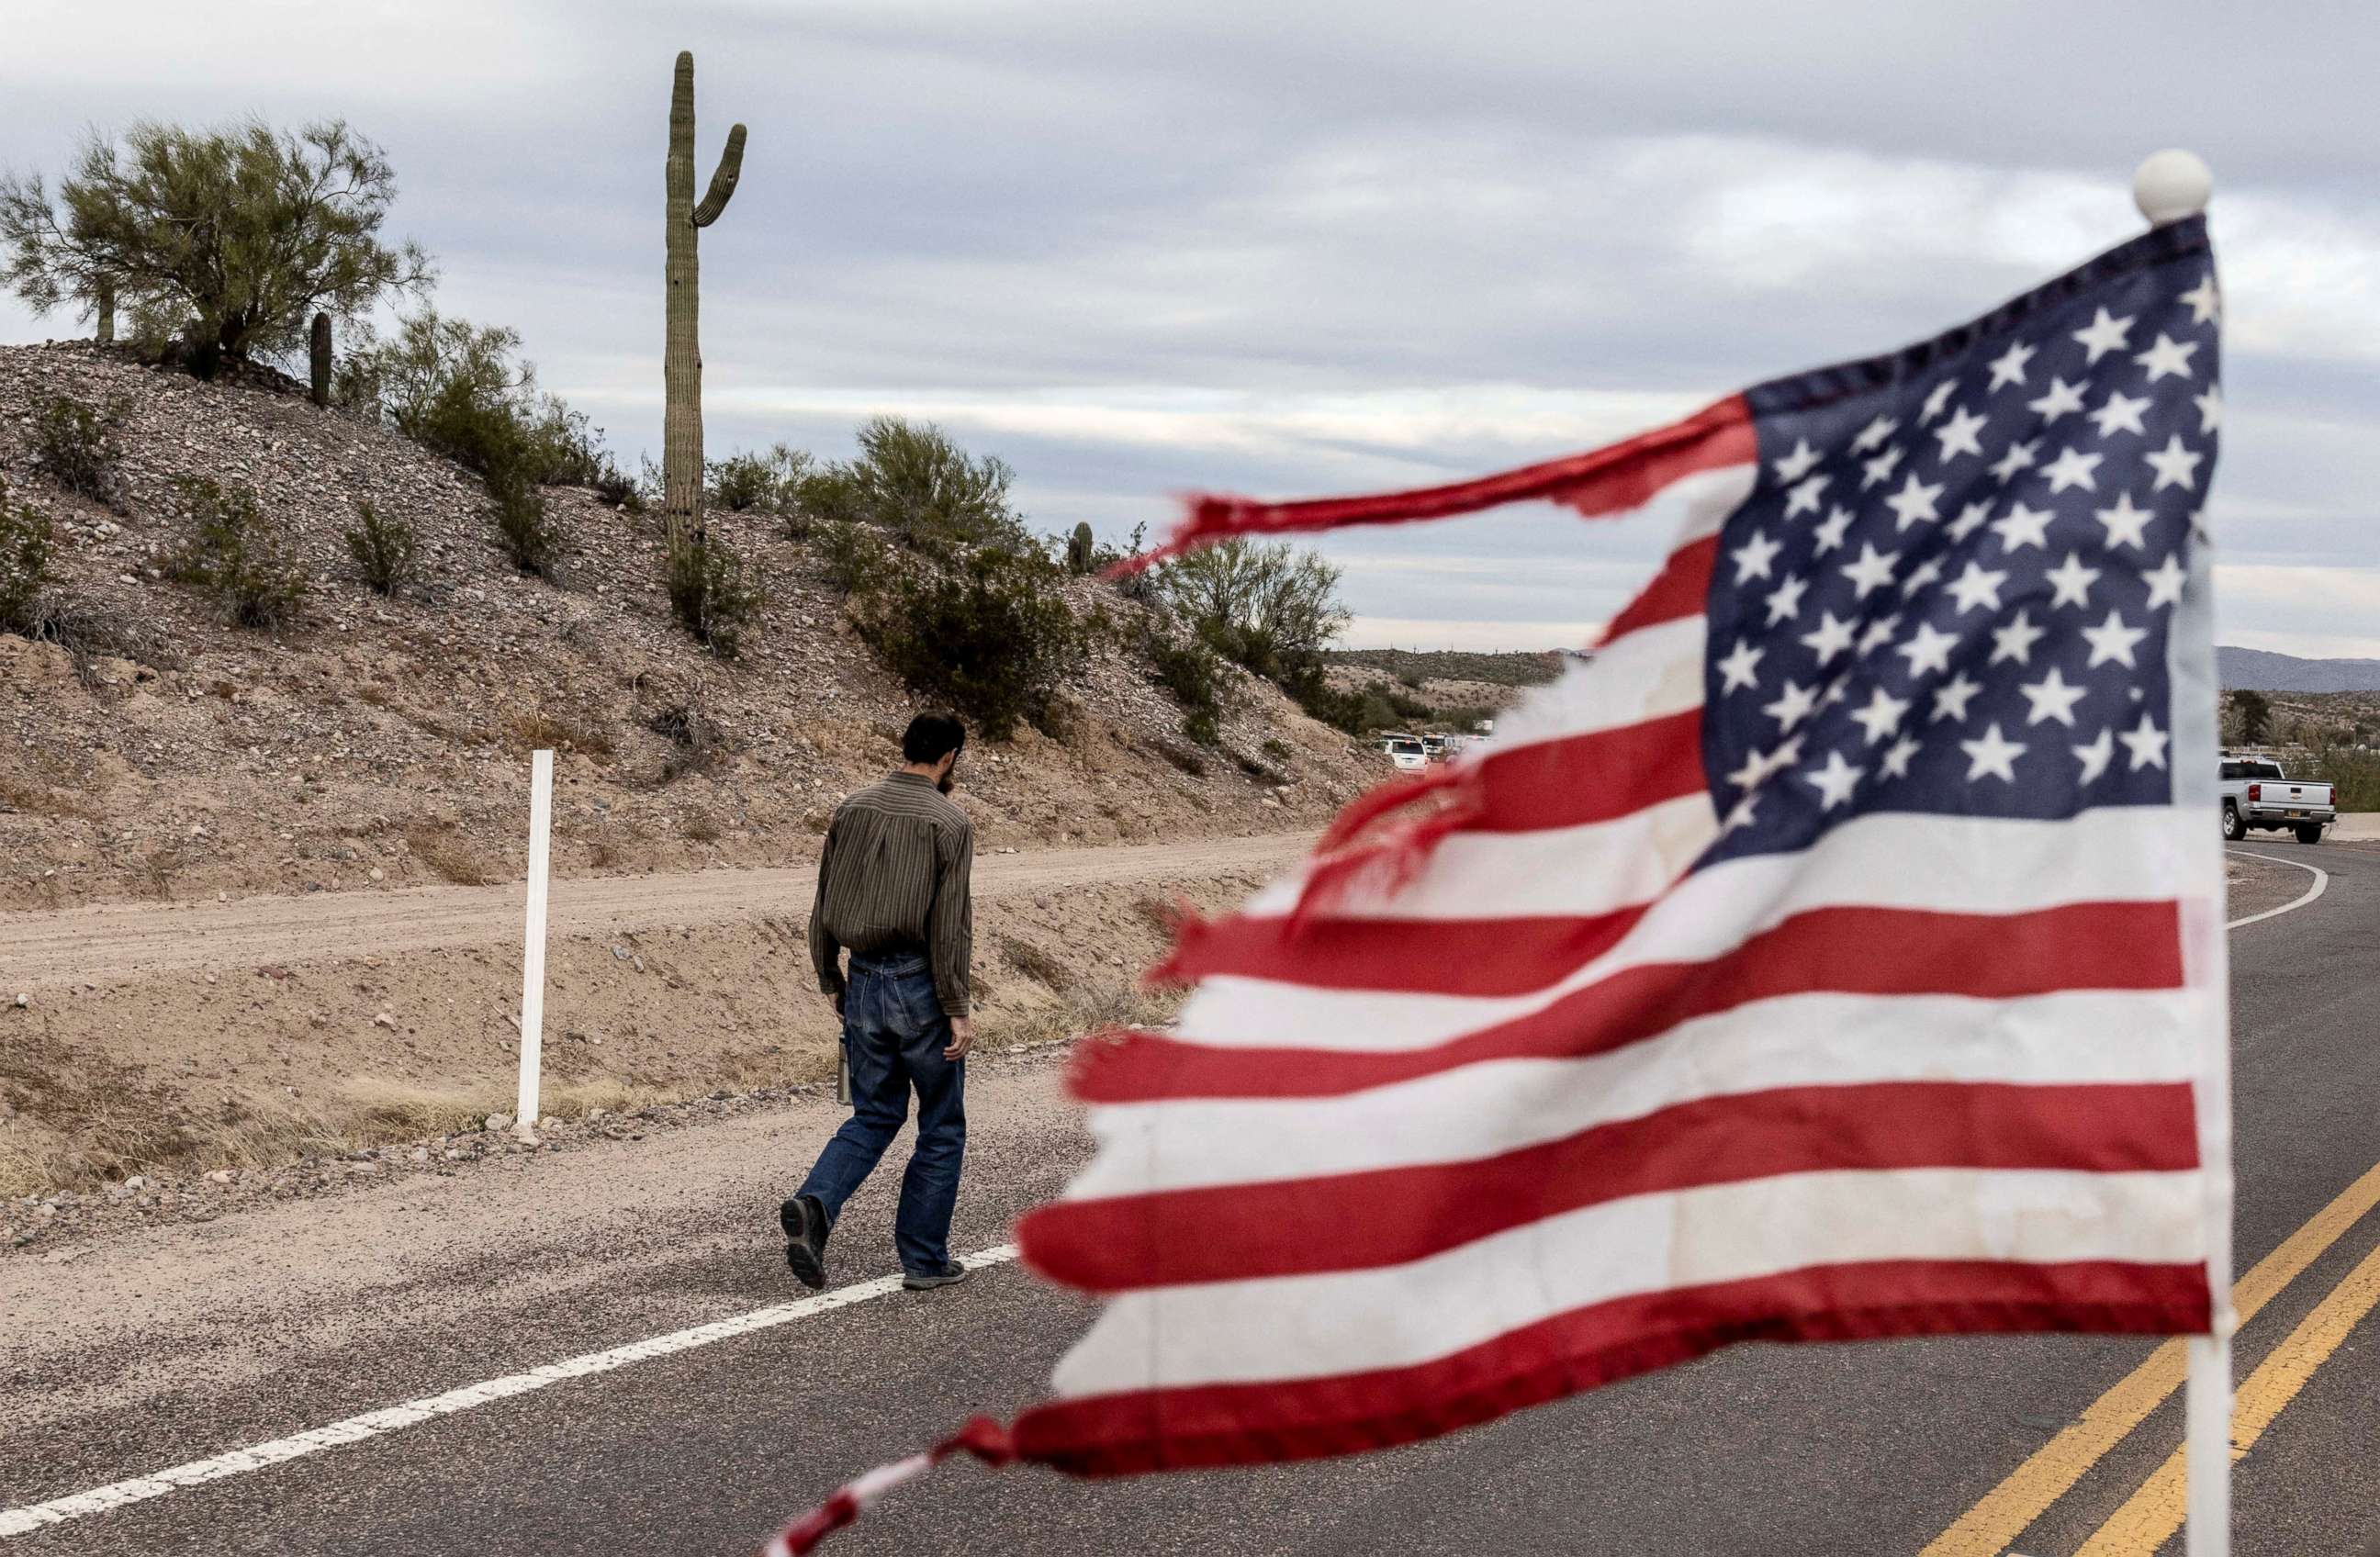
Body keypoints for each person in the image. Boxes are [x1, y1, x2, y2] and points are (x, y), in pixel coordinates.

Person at [781, 712, 977, 1292]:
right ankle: (924, 1259)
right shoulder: (950, 822)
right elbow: (950, 925)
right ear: (948, 758)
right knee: (941, 1125)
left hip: (860, 980)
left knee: (874, 1113)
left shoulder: (851, 808)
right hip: (918, 986)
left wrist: (830, 979)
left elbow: (822, 903)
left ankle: (816, 1203)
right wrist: (956, 1005)